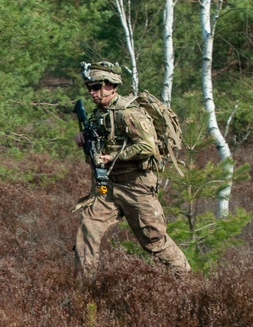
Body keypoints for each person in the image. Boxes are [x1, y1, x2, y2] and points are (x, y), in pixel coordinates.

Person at [72, 61, 190, 279]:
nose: (92, 92)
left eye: (96, 87)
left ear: (111, 85)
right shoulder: (98, 114)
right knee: (87, 228)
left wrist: (114, 157)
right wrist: (84, 140)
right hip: (108, 186)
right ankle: (83, 292)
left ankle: (187, 283)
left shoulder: (128, 113)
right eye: (90, 87)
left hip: (136, 186)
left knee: (154, 241)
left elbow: (148, 147)